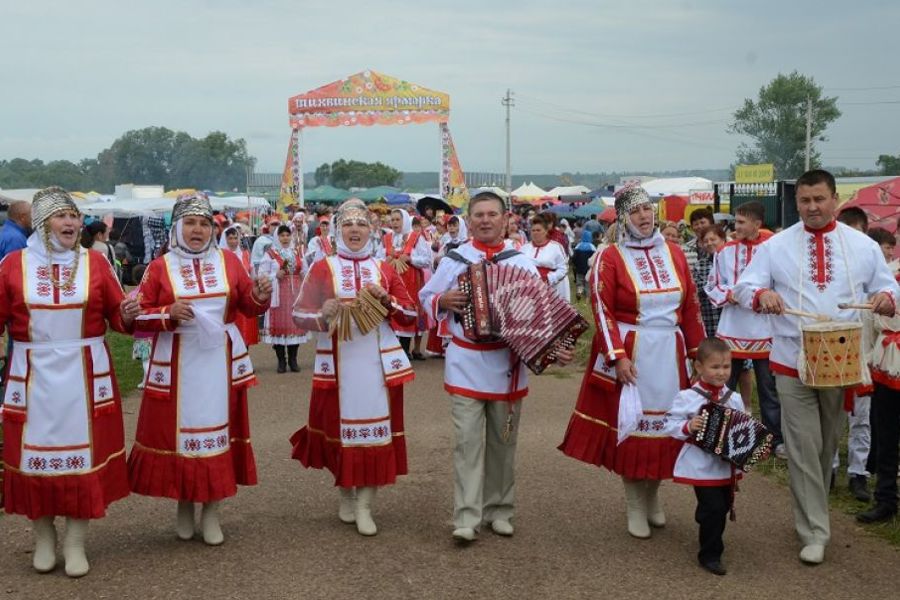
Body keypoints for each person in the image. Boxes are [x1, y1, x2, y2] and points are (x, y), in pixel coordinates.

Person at [733, 169, 899, 565]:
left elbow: (889, 287)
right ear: (797, 203)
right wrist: (762, 294)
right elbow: (743, 287)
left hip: (840, 363)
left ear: (834, 198)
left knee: (825, 447)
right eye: (804, 201)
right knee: (804, 447)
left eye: (819, 199)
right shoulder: (776, 246)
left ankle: (810, 515)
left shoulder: (862, 245)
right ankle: (815, 530)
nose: (812, 207)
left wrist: (885, 299)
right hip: (791, 360)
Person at [0, 187, 140, 577]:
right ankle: (44, 537)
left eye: (74, 216)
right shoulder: (13, 265)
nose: (71, 223)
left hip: (83, 374)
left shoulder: (96, 264)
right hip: (32, 377)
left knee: (85, 456)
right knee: (33, 457)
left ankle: (76, 541)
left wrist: (129, 312)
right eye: (61, 216)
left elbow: (121, 321)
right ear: (43, 224)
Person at [420, 191, 573, 542]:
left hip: (507, 364)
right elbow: (425, 298)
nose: (485, 220)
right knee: (467, 443)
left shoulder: (520, 262)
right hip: (465, 361)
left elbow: (540, 314)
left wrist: (555, 347)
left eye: (492, 214)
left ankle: (501, 510)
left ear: (505, 220)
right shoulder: (454, 259)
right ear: (469, 220)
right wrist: (442, 300)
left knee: (504, 444)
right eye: (479, 215)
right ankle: (466, 516)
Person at [558, 185, 705, 540]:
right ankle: (634, 503)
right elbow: (601, 309)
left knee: (668, 428)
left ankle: (652, 496)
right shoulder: (610, 257)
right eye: (635, 211)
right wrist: (617, 356)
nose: (643, 216)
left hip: (670, 351)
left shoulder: (675, 253)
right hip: (633, 351)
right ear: (623, 218)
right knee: (633, 426)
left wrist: (698, 354)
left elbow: (690, 306)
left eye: (647, 209)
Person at [128, 192, 272, 547]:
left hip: (218, 364)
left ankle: (211, 510)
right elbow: (135, 317)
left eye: (204, 224)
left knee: (217, 432)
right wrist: (167, 313)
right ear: (177, 228)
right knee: (179, 434)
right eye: (190, 223)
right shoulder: (160, 267)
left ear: (213, 229)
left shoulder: (229, 262)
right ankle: (183, 502)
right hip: (177, 362)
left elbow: (247, 306)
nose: (197, 230)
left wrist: (260, 294)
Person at [290, 199, 416, 536]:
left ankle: (365, 505)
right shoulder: (322, 267)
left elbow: (413, 315)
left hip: (376, 365)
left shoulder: (384, 269)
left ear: (371, 230)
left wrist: (388, 302)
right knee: (337, 430)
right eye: (348, 225)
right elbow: (298, 314)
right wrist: (323, 313)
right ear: (336, 231)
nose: (355, 230)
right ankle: (345, 491)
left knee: (375, 432)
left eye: (361, 224)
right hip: (337, 366)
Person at [705, 202, 784, 458]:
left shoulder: (772, 250)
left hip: (764, 328)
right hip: (732, 324)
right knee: (724, 382)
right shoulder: (724, 252)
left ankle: (775, 439)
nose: (735, 227)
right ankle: (721, 432)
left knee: (768, 388)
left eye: (741, 222)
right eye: (735, 222)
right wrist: (730, 295)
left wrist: (766, 298)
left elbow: (780, 286)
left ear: (757, 225)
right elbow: (712, 285)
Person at [666, 338, 744, 576]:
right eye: (715, 367)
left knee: (720, 506)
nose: (722, 373)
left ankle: (707, 521)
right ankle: (710, 555)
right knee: (714, 507)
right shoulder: (687, 397)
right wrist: (689, 426)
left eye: (726, 367)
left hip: (724, 466)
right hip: (700, 465)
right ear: (699, 367)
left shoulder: (735, 398)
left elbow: (743, 429)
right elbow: (670, 425)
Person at [830, 206, 874, 501]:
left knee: (862, 418)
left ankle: (858, 472)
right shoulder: (830, 273)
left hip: (865, 358)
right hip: (832, 356)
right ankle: (830, 468)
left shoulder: (876, 272)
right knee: (832, 417)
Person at [857, 228, 900, 523]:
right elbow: (868, 324)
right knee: (885, 434)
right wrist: (864, 365)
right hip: (888, 362)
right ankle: (886, 498)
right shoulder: (888, 275)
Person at [383, 208, 432, 360]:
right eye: (393, 220)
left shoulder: (416, 237)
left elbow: (427, 260)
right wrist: (386, 261)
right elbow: (378, 257)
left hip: (412, 281)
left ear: (405, 220)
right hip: (393, 281)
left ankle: (407, 349)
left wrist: (410, 259)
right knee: (393, 309)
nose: (395, 223)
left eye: (398, 219)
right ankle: (397, 348)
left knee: (409, 310)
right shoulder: (387, 238)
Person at [259, 225, 307, 373]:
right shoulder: (270, 254)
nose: (285, 238)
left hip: (295, 293)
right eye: (282, 235)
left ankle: (293, 360)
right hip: (278, 294)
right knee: (280, 326)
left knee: (295, 325)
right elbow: (262, 274)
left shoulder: (297, 252)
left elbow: (305, 271)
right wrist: (274, 276)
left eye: (287, 235)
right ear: (277, 237)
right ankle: (281, 361)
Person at [220, 224, 260, 347]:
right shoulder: (220, 257)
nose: (233, 241)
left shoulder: (245, 254)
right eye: (230, 238)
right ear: (225, 239)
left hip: (244, 295)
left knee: (245, 329)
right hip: (229, 297)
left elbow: (252, 273)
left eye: (235, 238)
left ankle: (244, 359)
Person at [684, 208, 719, 337]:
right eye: (696, 223)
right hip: (697, 302)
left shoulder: (726, 245)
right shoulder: (686, 248)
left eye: (702, 222)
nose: (699, 226)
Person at [521, 213, 571, 301]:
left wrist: (549, 277)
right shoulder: (524, 248)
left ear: (546, 231)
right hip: (530, 289)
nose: (535, 233)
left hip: (551, 289)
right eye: (533, 230)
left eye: (538, 230)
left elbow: (564, 268)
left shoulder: (556, 247)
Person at [572, 229, 597, 301]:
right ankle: (587, 297)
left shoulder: (578, 246)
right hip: (588, 269)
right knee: (588, 283)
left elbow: (574, 258)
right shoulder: (592, 247)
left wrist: (575, 265)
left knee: (579, 282)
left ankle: (579, 292)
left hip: (579, 268)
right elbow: (594, 258)